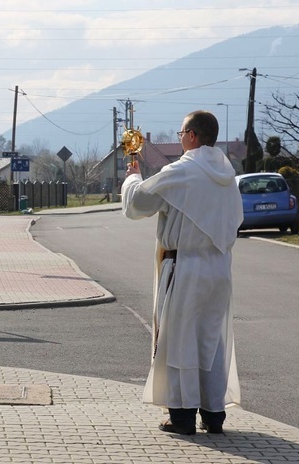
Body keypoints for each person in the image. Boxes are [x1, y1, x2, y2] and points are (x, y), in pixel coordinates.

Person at [121, 110, 243, 435]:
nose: (179, 139)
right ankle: (214, 414)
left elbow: (137, 203)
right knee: (211, 342)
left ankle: (183, 415)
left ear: (191, 135)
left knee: (180, 342)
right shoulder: (227, 175)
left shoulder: (184, 170)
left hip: (185, 266)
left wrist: (133, 176)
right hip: (219, 268)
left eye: (179, 134)